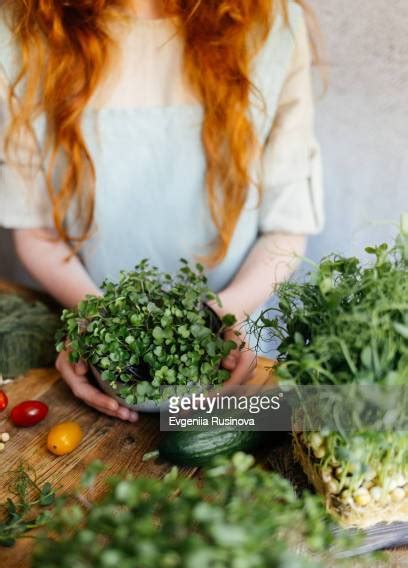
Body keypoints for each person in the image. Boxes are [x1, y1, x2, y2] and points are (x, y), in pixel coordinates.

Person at [0, 0, 323, 421]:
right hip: (101, 353)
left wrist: (223, 315)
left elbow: (287, 224)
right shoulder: (23, 25)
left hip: (233, 351)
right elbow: (35, 227)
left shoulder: (270, 23)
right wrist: (97, 324)